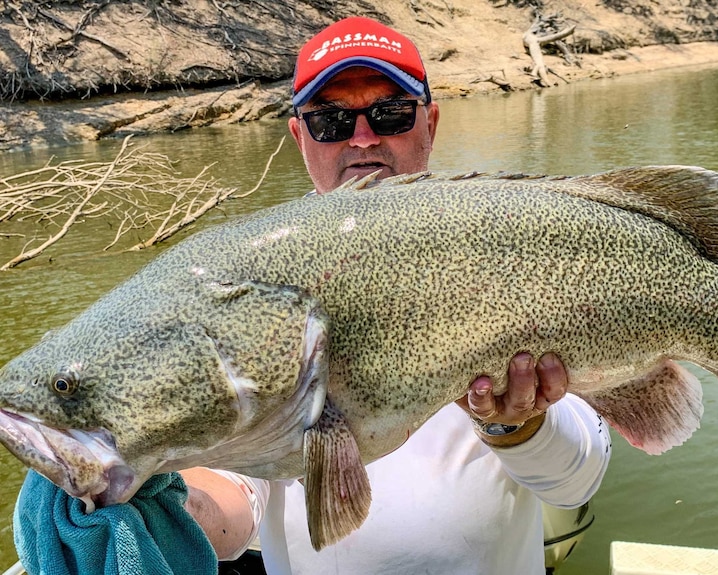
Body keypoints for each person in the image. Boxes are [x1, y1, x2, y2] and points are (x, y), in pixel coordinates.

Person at [182, 16, 612, 575]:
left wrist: (519, 423)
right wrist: (167, 512)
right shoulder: (256, 287)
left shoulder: (513, 249)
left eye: (389, 113)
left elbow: (579, 477)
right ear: (299, 137)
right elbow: (236, 497)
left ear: (429, 122)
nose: (362, 137)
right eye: (331, 120)